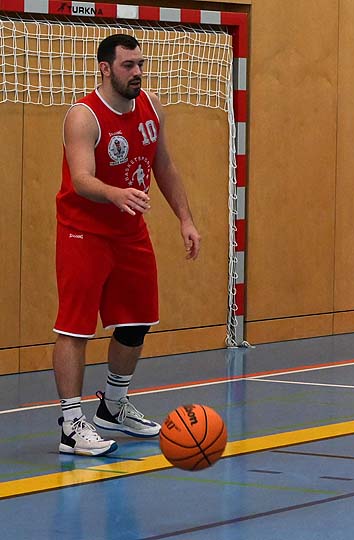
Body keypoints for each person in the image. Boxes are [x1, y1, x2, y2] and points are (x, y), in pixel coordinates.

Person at [55, 34, 201, 456]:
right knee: (75, 327)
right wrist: (114, 193)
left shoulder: (151, 105)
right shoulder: (84, 116)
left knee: (137, 322)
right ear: (105, 68)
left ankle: (113, 406)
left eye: (140, 64)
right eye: (128, 65)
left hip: (130, 231)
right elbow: (81, 178)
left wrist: (186, 219)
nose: (137, 72)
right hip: (83, 232)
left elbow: (163, 164)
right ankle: (70, 424)